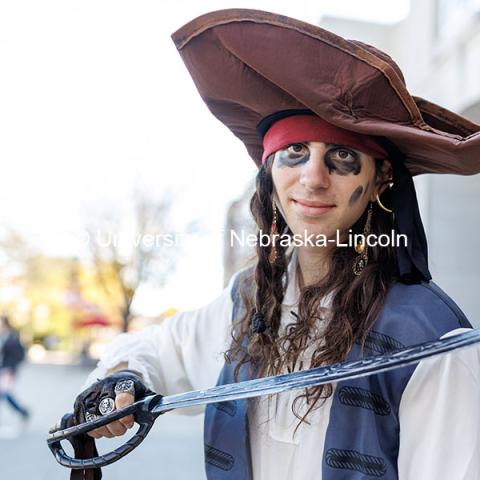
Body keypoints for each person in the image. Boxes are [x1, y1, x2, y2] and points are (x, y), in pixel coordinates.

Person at [72, 9, 480, 480]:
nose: (312, 178)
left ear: (380, 178)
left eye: (342, 156)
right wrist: (123, 380)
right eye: (295, 153)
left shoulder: (434, 342)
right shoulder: (245, 303)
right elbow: (153, 349)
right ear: (271, 172)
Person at [0, 315, 30, 422]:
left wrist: (12, 366)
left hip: (8, 370)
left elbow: (19, 354)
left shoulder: (12, 336)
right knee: (4, 394)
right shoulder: (3, 336)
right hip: (3, 369)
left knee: (5, 394)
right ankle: (22, 411)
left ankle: (23, 411)